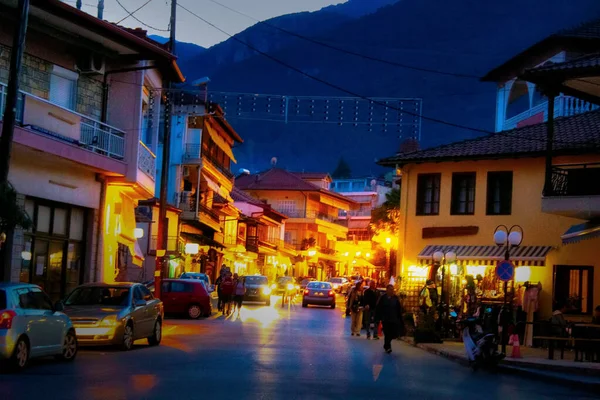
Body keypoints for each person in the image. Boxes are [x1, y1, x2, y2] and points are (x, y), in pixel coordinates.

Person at [376, 284, 404, 354]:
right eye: (390, 289)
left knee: (393, 333)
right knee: (387, 333)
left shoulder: (395, 298)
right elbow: (379, 308)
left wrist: (400, 318)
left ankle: (386, 345)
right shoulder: (383, 298)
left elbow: (398, 308)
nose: (392, 291)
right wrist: (378, 318)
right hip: (385, 319)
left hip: (394, 319)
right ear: (387, 290)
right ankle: (388, 347)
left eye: (393, 289)